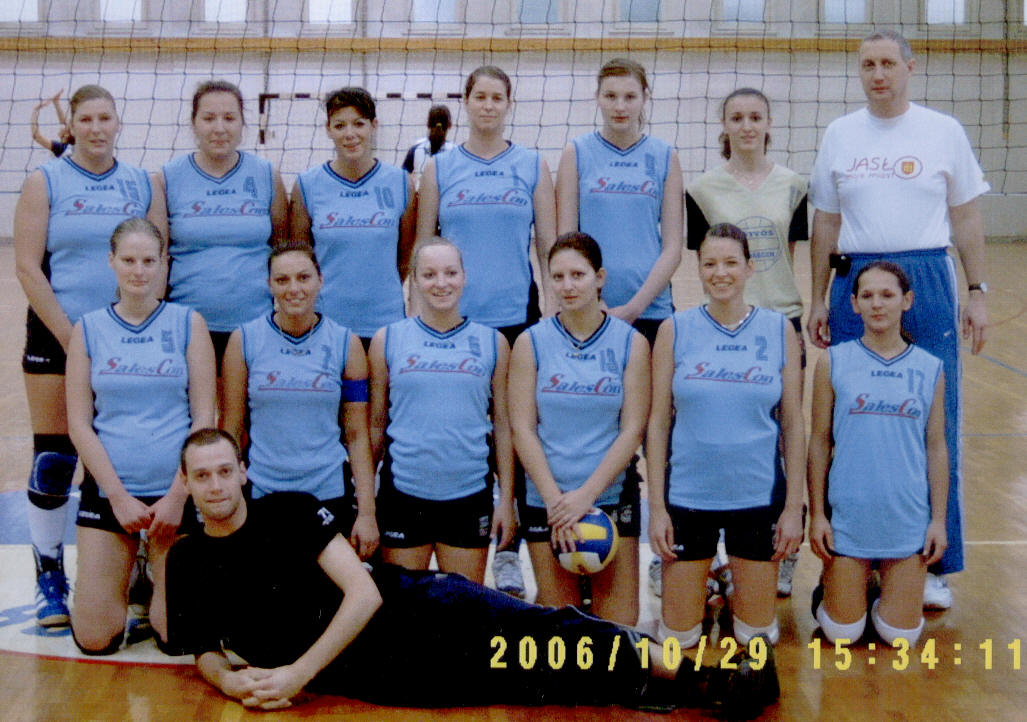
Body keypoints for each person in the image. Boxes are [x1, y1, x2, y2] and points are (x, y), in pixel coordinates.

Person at [166, 427, 779, 717]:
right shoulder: (188, 557)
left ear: (243, 472)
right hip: (384, 675)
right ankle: (687, 690)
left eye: (224, 471)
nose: (215, 485)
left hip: (419, 611)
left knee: (553, 635)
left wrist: (298, 672)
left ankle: (707, 673)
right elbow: (201, 650)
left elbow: (362, 595)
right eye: (202, 475)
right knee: (538, 681)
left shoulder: (289, 511)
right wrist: (233, 685)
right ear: (187, 484)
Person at [806, 29, 989, 610]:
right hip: (857, 280)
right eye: (868, 65)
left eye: (888, 63)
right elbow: (826, 223)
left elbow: (966, 217)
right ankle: (850, 556)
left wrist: (977, 291)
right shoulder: (840, 133)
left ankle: (933, 561)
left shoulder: (943, 131)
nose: (878, 74)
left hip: (927, 276)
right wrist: (818, 297)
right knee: (850, 420)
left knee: (935, 420)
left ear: (911, 67)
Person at [14, 84, 165, 627]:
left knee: (129, 449)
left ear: (118, 123)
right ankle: (49, 575)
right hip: (59, 334)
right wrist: (73, 337)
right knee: (55, 457)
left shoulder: (141, 183)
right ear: (71, 125)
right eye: (86, 119)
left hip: (128, 335)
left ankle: (140, 567)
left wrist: (134, 328)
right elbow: (27, 266)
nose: (97, 128)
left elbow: (159, 258)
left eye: (106, 118)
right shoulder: (44, 180)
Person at [416, 65, 557, 597]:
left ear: (508, 104)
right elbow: (423, 247)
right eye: (480, 96)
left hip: (516, 318)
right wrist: (418, 318)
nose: (489, 105)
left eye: (498, 97)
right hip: (454, 321)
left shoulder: (531, 165)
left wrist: (553, 316)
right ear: (467, 102)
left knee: (516, 431)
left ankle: (508, 549)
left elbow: (548, 246)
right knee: (465, 428)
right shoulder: (440, 167)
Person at [647, 224, 805, 649]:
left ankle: (731, 586)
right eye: (710, 264)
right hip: (688, 496)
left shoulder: (778, 330)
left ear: (750, 268)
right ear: (698, 269)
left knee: (756, 638)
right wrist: (657, 509)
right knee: (679, 640)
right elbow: (658, 422)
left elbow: (793, 423)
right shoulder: (674, 330)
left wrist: (793, 509)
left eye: (731, 263)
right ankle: (706, 586)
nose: (720, 273)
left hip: (756, 496)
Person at [65, 218, 216, 654]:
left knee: (177, 637)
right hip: (111, 495)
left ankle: (153, 575)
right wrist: (116, 496)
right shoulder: (88, 328)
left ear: (164, 263)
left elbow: (203, 419)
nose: (139, 271)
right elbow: (79, 424)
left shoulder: (188, 323)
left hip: (173, 497)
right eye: (129, 260)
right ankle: (127, 568)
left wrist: (177, 496)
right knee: (95, 638)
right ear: (111, 261)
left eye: (149, 261)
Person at [684, 87, 809, 598]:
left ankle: (783, 549)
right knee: (718, 434)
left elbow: (788, 253)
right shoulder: (702, 189)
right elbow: (704, 260)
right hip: (720, 325)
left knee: (784, 436)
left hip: (781, 321)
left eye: (756, 116)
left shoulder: (794, 185)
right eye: (736, 117)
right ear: (724, 126)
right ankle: (710, 552)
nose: (747, 126)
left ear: (769, 123)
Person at [508, 232, 650, 625]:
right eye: (557, 277)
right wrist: (557, 503)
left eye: (578, 275)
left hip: (609, 497)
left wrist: (585, 497)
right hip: (547, 501)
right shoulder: (531, 342)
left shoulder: (631, 343)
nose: (567, 286)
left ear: (599, 277)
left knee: (618, 628)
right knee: (560, 625)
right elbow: (522, 429)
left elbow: (632, 429)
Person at [808, 261, 948, 646]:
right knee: (842, 634)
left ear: (907, 300)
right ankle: (837, 590)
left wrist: (937, 521)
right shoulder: (833, 361)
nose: (877, 304)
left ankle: (875, 592)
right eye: (867, 296)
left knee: (898, 636)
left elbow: (936, 447)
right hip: (850, 517)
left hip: (906, 518)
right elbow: (819, 441)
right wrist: (818, 515)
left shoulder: (930, 368)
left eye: (887, 295)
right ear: (854, 303)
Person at [368, 238, 513, 585]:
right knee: (405, 609)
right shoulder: (388, 339)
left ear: (464, 276)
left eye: (450, 273)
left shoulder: (493, 343)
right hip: (403, 495)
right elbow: (375, 425)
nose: (441, 283)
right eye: (429, 274)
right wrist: (365, 504)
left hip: (468, 496)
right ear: (414, 280)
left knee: (463, 609)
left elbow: (503, 427)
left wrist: (506, 500)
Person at [221, 243, 378, 558]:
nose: (294, 289)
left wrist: (367, 512)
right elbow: (232, 429)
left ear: (320, 280)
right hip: (264, 490)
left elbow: (357, 435)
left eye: (303, 278)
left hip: (327, 491)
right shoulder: (244, 340)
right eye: (282, 280)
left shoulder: (346, 344)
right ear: (269, 284)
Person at [154, 80, 288, 410]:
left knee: (243, 425)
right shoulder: (166, 178)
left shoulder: (266, 175)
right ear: (193, 123)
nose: (219, 128)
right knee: (195, 425)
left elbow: (283, 249)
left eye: (229, 118)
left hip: (254, 326)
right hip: (188, 328)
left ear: (243, 123)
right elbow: (157, 257)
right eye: (209, 118)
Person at [555, 57, 683, 347]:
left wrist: (634, 308)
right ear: (597, 98)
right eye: (611, 96)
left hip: (651, 309)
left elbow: (673, 249)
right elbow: (566, 242)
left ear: (645, 98)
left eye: (630, 97)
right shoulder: (576, 153)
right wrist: (591, 301)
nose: (620, 107)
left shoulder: (665, 156)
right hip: (589, 309)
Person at [291, 86, 416, 348]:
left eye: (359, 124)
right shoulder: (307, 185)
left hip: (384, 322)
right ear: (328, 129)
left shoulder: (400, 183)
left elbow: (405, 257)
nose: (350, 134)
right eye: (340, 125)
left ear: (374, 126)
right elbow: (300, 258)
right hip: (326, 323)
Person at [402, 104, 453, 183]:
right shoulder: (455, 152)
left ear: (428, 124)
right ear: (449, 125)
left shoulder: (416, 149)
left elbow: (402, 179)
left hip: (420, 190)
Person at [30, 88, 72, 157]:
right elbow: (63, 123)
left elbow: (37, 136)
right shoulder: (74, 145)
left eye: (65, 127)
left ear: (66, 135)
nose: (62, 125)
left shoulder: (60, 147)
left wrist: (35, 110)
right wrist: (56, 103)